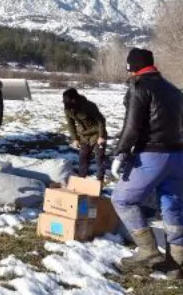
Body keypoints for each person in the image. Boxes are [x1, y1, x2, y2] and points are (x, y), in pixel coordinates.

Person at [111, 48, 183, 278]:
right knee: (172, 206)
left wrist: (121, 152)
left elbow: (132, 126)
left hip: (153, 154)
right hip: (179, 156)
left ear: (133, 67)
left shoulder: (139, 86)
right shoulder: (174, 90)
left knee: (122, 199)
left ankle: (147, 250)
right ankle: (176, 264)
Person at [62, 88, 108, 182]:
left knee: (99, 157)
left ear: (74, 99)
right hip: (83, 136)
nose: (67, 105)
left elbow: (101, 120)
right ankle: (81, 180)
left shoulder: (89, 106)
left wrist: (102, 136)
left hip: (96, 133)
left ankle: (100, 180)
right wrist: (75, 138)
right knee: (83, 157)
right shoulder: (68, 109)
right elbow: (70, 124)